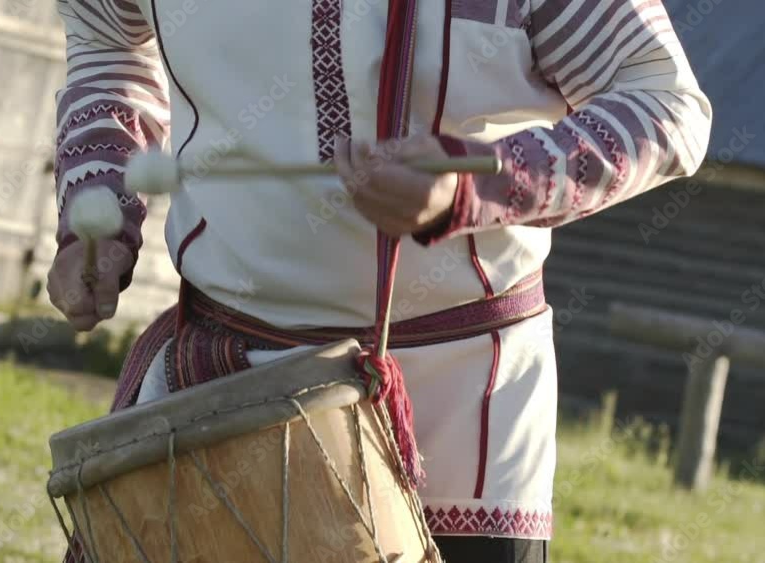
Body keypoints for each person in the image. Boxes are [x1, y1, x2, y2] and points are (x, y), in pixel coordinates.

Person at [48, 0, 711, 560]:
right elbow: (108, 39)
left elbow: (666, 105)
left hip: (455, 405)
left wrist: (475, 180)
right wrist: (94, 201)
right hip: (215, 377)